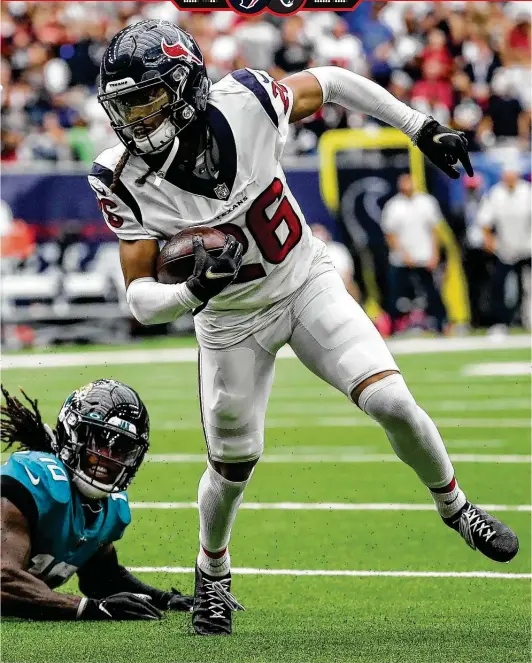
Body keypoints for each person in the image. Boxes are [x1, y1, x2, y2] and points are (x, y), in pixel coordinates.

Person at [89, 21, 518, 636]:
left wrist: (418, 126)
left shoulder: (247, 103)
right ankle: (213, 569)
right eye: (123, 103)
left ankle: (457, 508)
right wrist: (191, 290)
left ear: (184, 85)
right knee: (234, 464)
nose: (132, 116)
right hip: (230, 320)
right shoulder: (120, 176)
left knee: (393, 399)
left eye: (145, 97)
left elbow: (334, 81)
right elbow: (138, 300)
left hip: (303, 281)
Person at [0, 379, 193, 621]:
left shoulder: (105, 506)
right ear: (73, 435)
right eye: (101, 441)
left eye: (122, 448)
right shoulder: (33, 482)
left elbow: (103, 579)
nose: (110, 457)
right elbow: (3, 581)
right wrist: (89, 609)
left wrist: (165, 599)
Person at [382, 173, 448, 334]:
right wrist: (404, 255)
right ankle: (392, 328)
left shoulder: (426, 202)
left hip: (424, 256)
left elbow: (434, 230)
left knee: (432, 293)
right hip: (401, 259)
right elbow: (390, 235)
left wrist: (435, 254)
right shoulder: (393, 206)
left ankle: (442, 324)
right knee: (396, 294)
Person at [476, 167, 532, 336]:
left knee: (528, 286)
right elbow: (484, 221)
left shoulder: (527, 192)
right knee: (499, 286)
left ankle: (528, 320)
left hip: (527, 246)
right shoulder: (495, 194)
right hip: (505, 249)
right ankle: (501, 322)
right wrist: (490, 241)